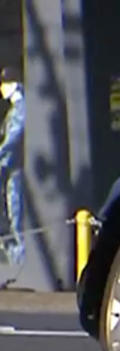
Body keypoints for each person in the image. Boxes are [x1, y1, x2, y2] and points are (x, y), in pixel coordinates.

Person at [0, 66, 24, 265]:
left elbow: (13, 138)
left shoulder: (20, 109)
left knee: (15, 217)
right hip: (9, 169)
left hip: (14, 170)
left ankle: (19, 261)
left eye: (4, 83)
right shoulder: (14, 110)